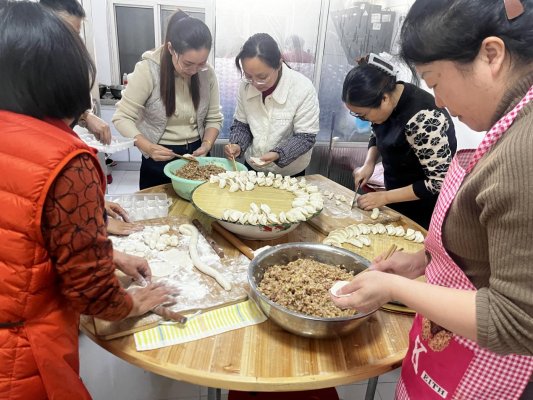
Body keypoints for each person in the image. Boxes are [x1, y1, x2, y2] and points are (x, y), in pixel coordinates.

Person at [332, 0, 533, 399]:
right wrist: (423, 261)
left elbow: (516, 321)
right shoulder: (510, 127)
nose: (438, 101)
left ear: (491, 55)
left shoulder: (524, 151)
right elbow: (484, 245)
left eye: (435, 80)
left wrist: (395, 288)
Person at [0, 2, 174, 398]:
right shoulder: (66, 161)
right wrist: (131, 302)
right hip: (20, 356)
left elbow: (26, 238)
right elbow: (91, 293)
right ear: (67, 73)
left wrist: (106, 253)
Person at [343, 53, 457, 229]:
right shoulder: (386, 100)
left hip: (424, 207)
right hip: (395, 194)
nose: (367, 121)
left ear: (384, 99)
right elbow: (377, 132)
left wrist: (385, 197)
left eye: (364, 115)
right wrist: (369, 164)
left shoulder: (422, 119)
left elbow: (438, 182)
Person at [113, 10, 223, 190]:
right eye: (188, 64)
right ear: (171, 49)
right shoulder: (148, 70)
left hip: (197, 155)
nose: (195, 70)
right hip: (159, 155)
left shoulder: (207, 74)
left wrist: (207, 144)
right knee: (159, 214)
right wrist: (147, 147)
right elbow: (122, 117)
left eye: (201, 62)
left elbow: (214, 118)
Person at [223, 33, 320, 177]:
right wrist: (237, 144)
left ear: (279, 64)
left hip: (289, 173)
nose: (255, 83)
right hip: (253, 167)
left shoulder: (302, 88)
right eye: (249, 76)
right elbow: (242, 125)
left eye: (262, 77)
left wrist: (277, 154)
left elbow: (305, 137)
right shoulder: (245, 87)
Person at [41, 0, 112, 145]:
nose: (71, 43)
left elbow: (62, 105)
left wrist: (85, 116)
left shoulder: (65, 62)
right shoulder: (27, 67)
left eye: (75, 35)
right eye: (64, 32)